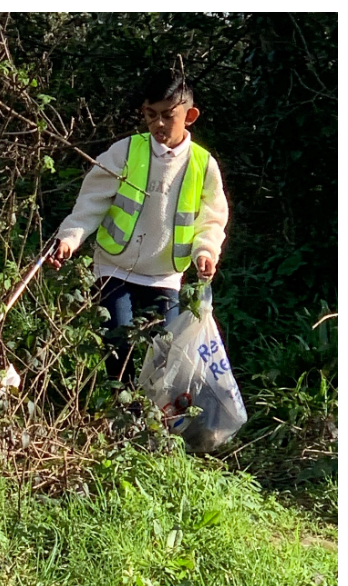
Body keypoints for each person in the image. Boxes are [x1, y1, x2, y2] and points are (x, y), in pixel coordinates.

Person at [47, 69, 229, 380]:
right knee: (117, 342)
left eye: (167, 116)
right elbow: (91, 202)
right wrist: (69, 239)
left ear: (190, 115)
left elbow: (211, 217)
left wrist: (206, 252)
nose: (158, 124)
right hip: (115, 267)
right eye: (151, 114)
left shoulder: (202, 164)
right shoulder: (126, 151)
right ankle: (121, 411)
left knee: (166, 352)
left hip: (165, 274)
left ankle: (153, 417)